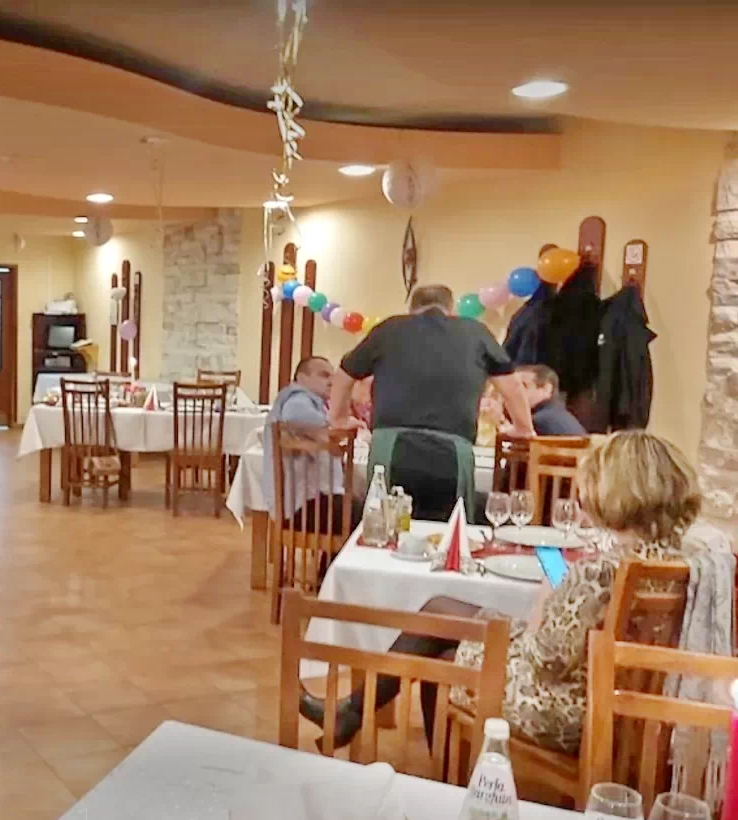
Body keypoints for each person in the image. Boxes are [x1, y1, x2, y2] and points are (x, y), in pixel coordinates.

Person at [301, 431, 700, 754]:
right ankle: (354, 715)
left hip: (562, 710)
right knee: (441, 612)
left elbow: (545, 659)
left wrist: (548, 594)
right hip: (619, 702)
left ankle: (377, 729)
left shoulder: (599, 571)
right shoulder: (680, 562)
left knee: (443, 650)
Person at [327, 285, 534, 520]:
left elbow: (344, 374)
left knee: (386, 525)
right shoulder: (476, 332)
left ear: (411, 310)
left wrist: (338, 418)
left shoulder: (389, 329)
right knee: (450, 528)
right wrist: (523, 427)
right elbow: (512, 386)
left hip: (390, 446)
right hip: (452, 450)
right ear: (450, 309)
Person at [262, 356, 346, 531]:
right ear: (301, 378)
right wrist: (334, 426)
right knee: (367, 514)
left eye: (332, 376)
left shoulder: (309, 402)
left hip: (301, 505)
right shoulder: (297, 399)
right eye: (324, 375)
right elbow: (293, 415)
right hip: (305, 507)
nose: (331, 382)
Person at [519, 364, 587, 436]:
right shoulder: (564, 416)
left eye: (524, 386)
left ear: (546, 388)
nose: (517, 392)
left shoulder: (538, 421)